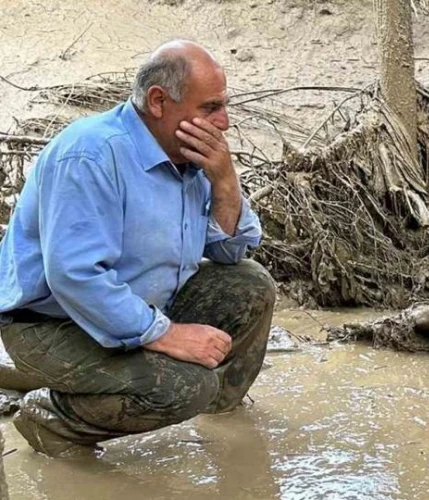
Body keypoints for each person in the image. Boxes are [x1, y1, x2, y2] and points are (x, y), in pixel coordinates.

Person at [0, 40, 275, 457]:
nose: (225, 122)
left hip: (135, 303)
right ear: (159, 101)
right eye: (210, 107)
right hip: (48, 326)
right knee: (186, 387)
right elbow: (75, 275)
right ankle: (52, 419)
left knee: (251, 284)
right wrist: (166, 334)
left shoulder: (190, 155)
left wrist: (225, 182)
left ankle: (221, 417)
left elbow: (230, 254)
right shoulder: (90, 154)